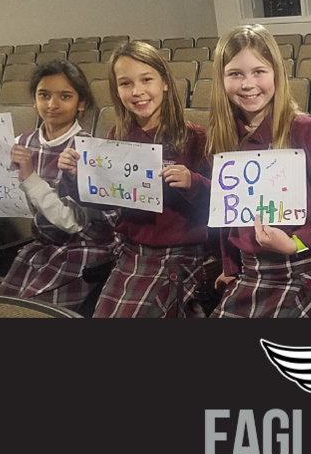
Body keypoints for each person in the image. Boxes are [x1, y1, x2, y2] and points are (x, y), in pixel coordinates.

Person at [207, 24, 311, 318]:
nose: (248, 84)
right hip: (250, 273)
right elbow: (229, 214)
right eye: (235, 74)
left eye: (259, 72)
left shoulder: (304, 130)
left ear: (276, 73)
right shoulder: (223, 138)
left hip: (304, 269)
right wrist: (230, 267)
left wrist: (297, 242)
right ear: (221, 80)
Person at [58, 42, 218, 318]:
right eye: (125, 83)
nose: (137, 92)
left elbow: (219, 204)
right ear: (116, 90)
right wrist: (76, 176)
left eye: (146, 80)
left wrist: (193, 183)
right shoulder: (117, 136)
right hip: (132, 251)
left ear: (165, 83)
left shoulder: (194, 137)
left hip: (181, 252)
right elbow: (104, 201)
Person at [0, 59, 120, 315]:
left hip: (84, 249)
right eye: (44, 95)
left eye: (65, 96)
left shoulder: (87, 148)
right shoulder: (22, 142)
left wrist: (29, 177)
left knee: (34, 313)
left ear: (80, 103)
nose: (52, 105)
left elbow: (73, 222)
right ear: (34, 99)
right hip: (42, 247)